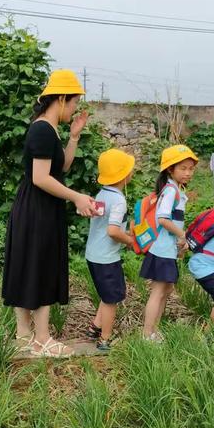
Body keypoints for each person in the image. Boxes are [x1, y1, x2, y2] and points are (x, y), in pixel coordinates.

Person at [2, 69, 96, 358]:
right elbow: (41, 177)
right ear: (62, 98)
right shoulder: (42, 129)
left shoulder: (48, 129)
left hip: (39, 207)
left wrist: (74, 138)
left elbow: (61, 168)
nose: (75, 109)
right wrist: (77, 196)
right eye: (74, 103)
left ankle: (24, 336)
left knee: (29, 264)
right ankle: (41, 339)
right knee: (40, 266)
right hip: (38, 208)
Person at [139, 145, 198, 342]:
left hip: (167, 250)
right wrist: (183, 236)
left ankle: (154, 330)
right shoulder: (171, 191)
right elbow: (163, 219)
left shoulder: (176, 190)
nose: (188, 173)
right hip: (162, 250)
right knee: (159, 291)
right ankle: (148, 334)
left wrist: (179, 244)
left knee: (166, 289)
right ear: (170, 170)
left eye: (191, 168)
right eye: (183, 168)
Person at [85, 148, 135, 351]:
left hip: (93, 254)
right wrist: (130, 240)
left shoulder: (102, 193)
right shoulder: (119, 200)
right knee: (111, 299)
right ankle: (105, 339)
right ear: (125, 175)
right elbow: (113, 231)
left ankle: (95, 327)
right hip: (107, 258)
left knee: (106, 295)